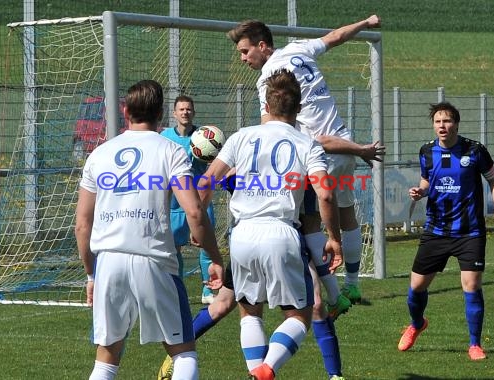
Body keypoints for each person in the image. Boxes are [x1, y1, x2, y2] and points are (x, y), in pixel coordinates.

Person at [228, 15, 382, 379]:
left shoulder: (269, 81)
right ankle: (351, 285)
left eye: (245, 51)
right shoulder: (299, 48)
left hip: (323, 153)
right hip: (343, 144)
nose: (243, 58)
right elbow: (337, 34)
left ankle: (332, 292)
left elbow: (279, 135)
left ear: (263, 46)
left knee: (309, 223)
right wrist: (367, 21)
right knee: (344, 214)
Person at [199, 69, 343, 379]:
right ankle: (266, 369)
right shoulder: (307, 144)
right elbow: (326, 194)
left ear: (266, 104)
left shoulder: (242, 137)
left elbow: (205, 183)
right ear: (299, 107)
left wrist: (200, 227)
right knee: (301, 316)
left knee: (250, 312)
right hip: (281, 231)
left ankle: (256, 372)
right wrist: (333, 238)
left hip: (242, 233)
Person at [75, 79, 224, 380]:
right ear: (161, 114)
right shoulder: (170, 151)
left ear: (126, 111)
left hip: (109, 261)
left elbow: (82, 225)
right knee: (183, 352)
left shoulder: (99, 155)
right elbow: (195, 211)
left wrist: (91, 275)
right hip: (155, 260)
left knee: (106, 357)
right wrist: (215, 257)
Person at [398, 102, 494, 361]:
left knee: (471, 285)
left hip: (469, 232)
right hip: (436, 230)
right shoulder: (426, 151)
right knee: (416, 288)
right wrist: (420, 191)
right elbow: (427, 179)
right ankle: (416, 324)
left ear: (456, 123)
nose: (442, 126)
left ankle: (474, 345)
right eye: (437, 122)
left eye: (446, 121)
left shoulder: (475, 150)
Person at [160, 95, 217, 304]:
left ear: (194, 112)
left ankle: (208, 290)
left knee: (206, 245)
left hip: (200, 199)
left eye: (189, 109)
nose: (185, 112)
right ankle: (177, 288)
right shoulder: (164, 136)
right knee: (174, 248)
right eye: (181, 109)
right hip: (174, 201)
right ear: (174, 113)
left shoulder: (205, 136)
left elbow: (215, 165)